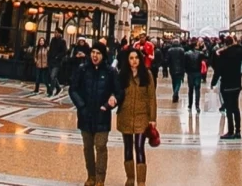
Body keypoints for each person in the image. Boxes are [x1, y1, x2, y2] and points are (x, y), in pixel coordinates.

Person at [70, 42, 123, 186]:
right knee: (87, 147)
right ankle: (91, 176)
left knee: (100, 146)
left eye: (98, 53)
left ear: (103, 55)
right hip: (85, 115)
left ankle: (100, 178)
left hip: (102, 115)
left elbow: (119, 92)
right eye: (93, 52)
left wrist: (111, 102)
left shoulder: (110, 72)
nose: (95, 55)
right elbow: (73, 89)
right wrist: (81, 106)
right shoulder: (82, 69)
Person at [117, 49, 157, 186]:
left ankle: (141, 181)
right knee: (127, 147)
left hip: (142, 116)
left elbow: (152, 97)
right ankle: (130, 178)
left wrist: (152, 118)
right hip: (125, 115)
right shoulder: (122, 75)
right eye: (131, 58)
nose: (134, 61)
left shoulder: (147, 75)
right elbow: (117, 93)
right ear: (127, 60)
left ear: (140, 59)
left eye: (136, 58)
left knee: (139, 147)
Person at [210, 35, 242, 139]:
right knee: (236, 107)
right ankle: (238, 131)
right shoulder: (239, 52)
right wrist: (236, 44)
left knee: (229, 108)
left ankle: (230, 131)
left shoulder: (222, 54)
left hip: (226, 84)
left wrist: (213, 82)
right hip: (236, 84)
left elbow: (218, 70)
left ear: (225, 44)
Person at [184, 41, 205, 113]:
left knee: (190, 89)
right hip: (197, 73)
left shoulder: (186, 54)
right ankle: (197, 105)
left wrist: (186, 71)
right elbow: (207, 56)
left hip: (190, 73)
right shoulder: (200, 53)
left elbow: (185, 63)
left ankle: (190, 105)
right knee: (197, 89)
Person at [48, 29, 68, 96]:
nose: (55, 34)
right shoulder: (53, 40)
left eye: (56, 32)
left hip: (57, 62)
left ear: (60, 33)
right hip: (51, 61)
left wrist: (58, 56)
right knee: (53, 76)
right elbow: (50, 49)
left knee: (53, 76)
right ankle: (58, 88)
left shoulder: (63, 41)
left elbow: (64, 52)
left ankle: (51, 91)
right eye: (54, 32)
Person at [166, 39, 186, 103]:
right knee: (178, 82)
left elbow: (167, 60)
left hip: (172, 69)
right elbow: (183, 60)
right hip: (180, 69)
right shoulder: (182, 50)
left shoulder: (169, 50)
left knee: (174, 82)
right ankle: (175, 93)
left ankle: (175, 94)